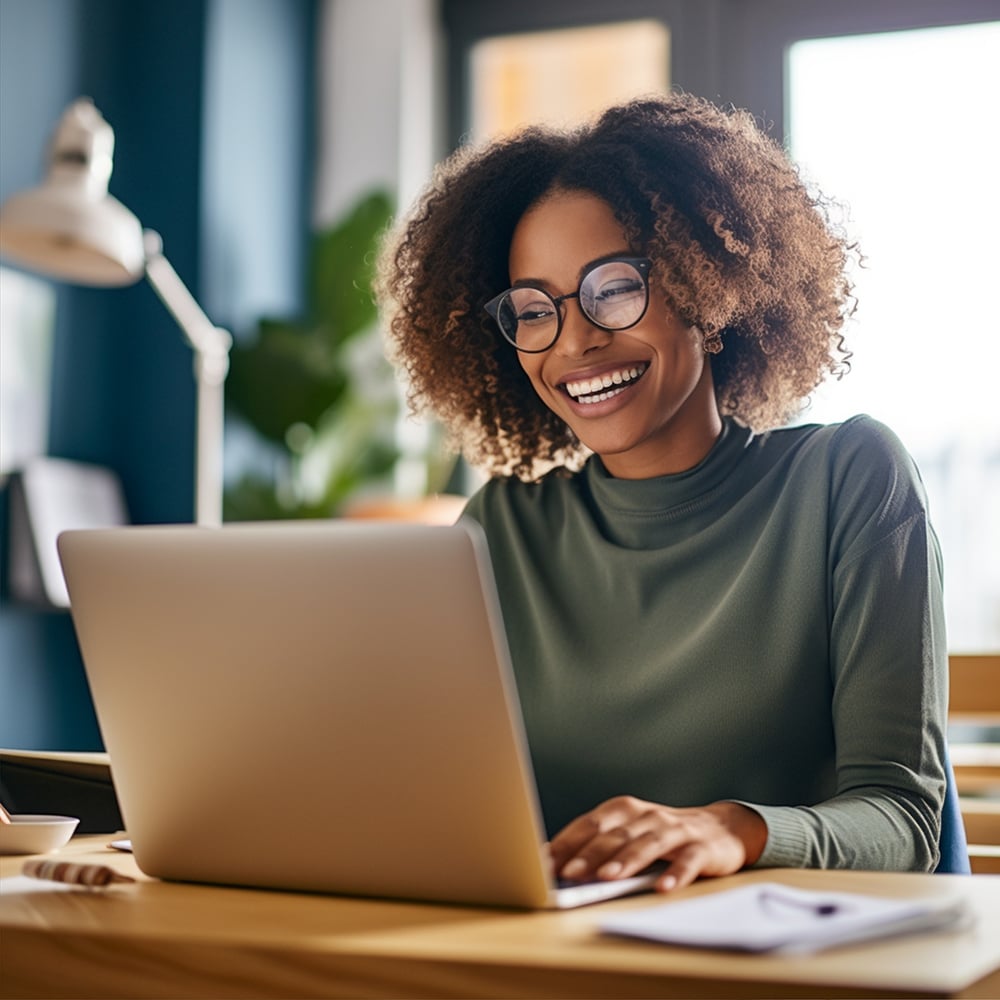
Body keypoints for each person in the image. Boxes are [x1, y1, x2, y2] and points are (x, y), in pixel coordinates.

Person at [375, 92, 947, 892]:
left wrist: (733, 830)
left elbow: (905, 818)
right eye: (534, 309)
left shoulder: (847, 478)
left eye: (613, 287)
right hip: (558, 959)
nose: (575, 340)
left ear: (706, 288)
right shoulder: (498, 531)